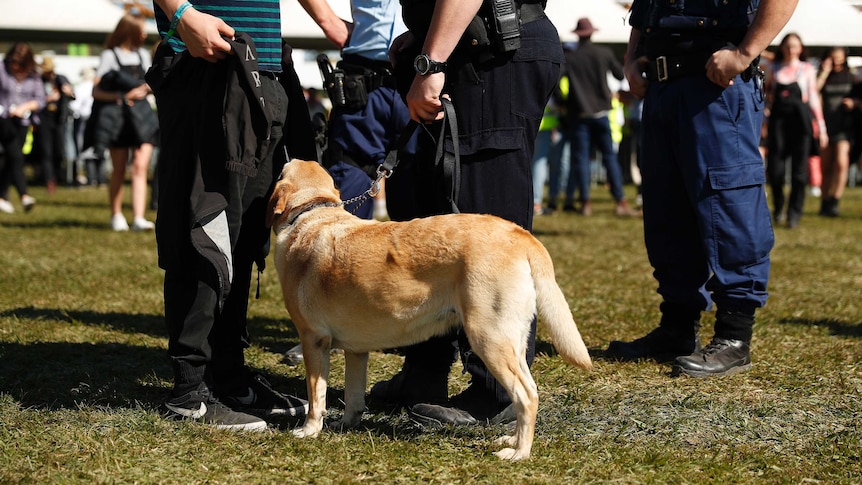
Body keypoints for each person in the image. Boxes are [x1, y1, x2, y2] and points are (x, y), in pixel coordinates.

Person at [370, 0, 564, 425]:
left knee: (485, 227)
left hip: (494, 53)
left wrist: (431, 57)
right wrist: (426, 35)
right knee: (433, 229)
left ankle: (498, 393)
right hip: (471, 47)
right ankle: (425, 371)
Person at [605, 0, 798, 377]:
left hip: (716, 87)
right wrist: (631, 58)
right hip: (662, 88)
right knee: (666, 211)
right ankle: (677, 328)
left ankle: (734, 336)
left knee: (730, 208)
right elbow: (646, 7)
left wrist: (745, 52)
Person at [148, 0, 311, 431]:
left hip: (261, 68)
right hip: (208, 63)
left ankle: (229, 376)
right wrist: (182, 14)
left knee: (242, 235)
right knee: (205, 226)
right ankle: (188, 392)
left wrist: (331, 23)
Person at [297, 0, 409, 221]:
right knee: (346, 206)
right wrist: (327, 21)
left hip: (423, 75)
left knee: (427, 210)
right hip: (362, 82)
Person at [560, 17, 638, 217]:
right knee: (609, 158)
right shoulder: (603, 53)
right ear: (592, 33)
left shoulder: (570, 58)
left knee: (581, 160)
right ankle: (620, 201)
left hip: (579, 114)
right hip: (602, 112)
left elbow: (556, 84)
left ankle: (585, 202)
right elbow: (620, 75)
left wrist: (563, 103)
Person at [90, 13, 158, 232]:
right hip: (119, 118)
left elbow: (151, 82)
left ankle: (138, 217)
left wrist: (144, 89)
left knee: (140, 166)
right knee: (119, 167)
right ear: (130, 31)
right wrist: (122, 96)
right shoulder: (110, 55)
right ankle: (116, 214)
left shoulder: (143, 55)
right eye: (141, 29)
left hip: (142, 117)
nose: (145, 33)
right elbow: (96, 90)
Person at [764, 33, 826, 229]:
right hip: (778, 124)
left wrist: (821, 128)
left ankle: (794, 213)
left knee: (799, 173)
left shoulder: (806, 69)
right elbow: (766, 96)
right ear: (782, 47)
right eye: (788, 46)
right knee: (775, 171)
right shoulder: (773, 68)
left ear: (801, 49)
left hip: (800, 123)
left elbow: (813, 98)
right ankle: (779, 207)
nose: (791, 49)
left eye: (795, 46)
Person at [0, 42, 44, 214]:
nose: (14, 66)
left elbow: (40, 99)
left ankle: (2, 195)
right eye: (12, 61)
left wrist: (25, 107)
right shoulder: (2, 70)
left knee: (13, 158)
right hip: (3, 120)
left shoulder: (34, 76)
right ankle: (24, 195)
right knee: (15, 156)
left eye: (19, 63)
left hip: (23, 122)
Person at [816, 46, 855, 217]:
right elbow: (813, 91)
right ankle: (824, 202)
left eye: (839, 58)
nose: (836, 61)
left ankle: (835, 200)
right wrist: (825, 72)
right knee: (825, 166)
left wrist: (854, 103)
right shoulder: (823, 75)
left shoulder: (851, 76)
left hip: (844, 126)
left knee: (841, 162)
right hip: (825, 125)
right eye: (833, 58)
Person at [33, 57, 74, 193]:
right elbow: (33, 100)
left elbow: (74, 95)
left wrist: (69, 92)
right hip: (44, 119)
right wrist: (47, 99)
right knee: (46, 151)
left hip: (59, 119)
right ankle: (49, 180)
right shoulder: (38, 80)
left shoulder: (61, 79)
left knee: (59, 150)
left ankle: (57, 175)